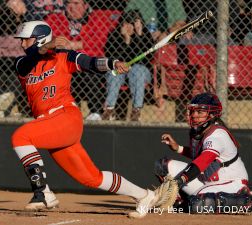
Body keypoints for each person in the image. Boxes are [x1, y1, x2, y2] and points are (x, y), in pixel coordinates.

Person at [12, 21, 158, 218]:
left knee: (21, 137)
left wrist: (112, 63)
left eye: (26, 40)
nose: (22, 44)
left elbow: (90, 63)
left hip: (65, 117)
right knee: (91, 178)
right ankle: (144, 195)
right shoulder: (21, 63)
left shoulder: (63, 57)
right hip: (50, 125)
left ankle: (42, 193)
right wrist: (45, 47)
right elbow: (31, 58)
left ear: (39, 39)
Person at [155, 92, 252, 216]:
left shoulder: (217, 134)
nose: (194, 115)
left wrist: (180, 180)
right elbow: (198, 155)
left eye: (199, 112)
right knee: (162, 166)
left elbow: (202, 161)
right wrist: (178, 148)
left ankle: (248, 201)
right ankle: (180, 202)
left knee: (197, 204)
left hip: (231, 182)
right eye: (193, 111)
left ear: (212, 114)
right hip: (208, 179)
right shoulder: (199, 130)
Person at [45, 0, 121, 120]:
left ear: (85, 5)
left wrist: (75, 45)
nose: (71, 7)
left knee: (90, 69)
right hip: (64, 63)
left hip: (87, 63)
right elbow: (49, 40)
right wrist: (78, 45)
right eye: (68, 3)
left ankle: (95, 112)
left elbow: (99, 43)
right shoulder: (55, 18)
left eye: (76, 4)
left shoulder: (97, 19)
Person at [102, 10, 154, 121]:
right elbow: (112, 56)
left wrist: (139, 35)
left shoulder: (145, 35)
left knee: (137, 70)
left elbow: (146, 58)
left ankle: (136, 110)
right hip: (120, 71)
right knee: (113, 73)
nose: (130, 26)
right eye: (127, 22)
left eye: (133, 23)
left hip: (140, 72)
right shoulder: (115, 34)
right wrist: (126, 40)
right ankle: (109, 109)